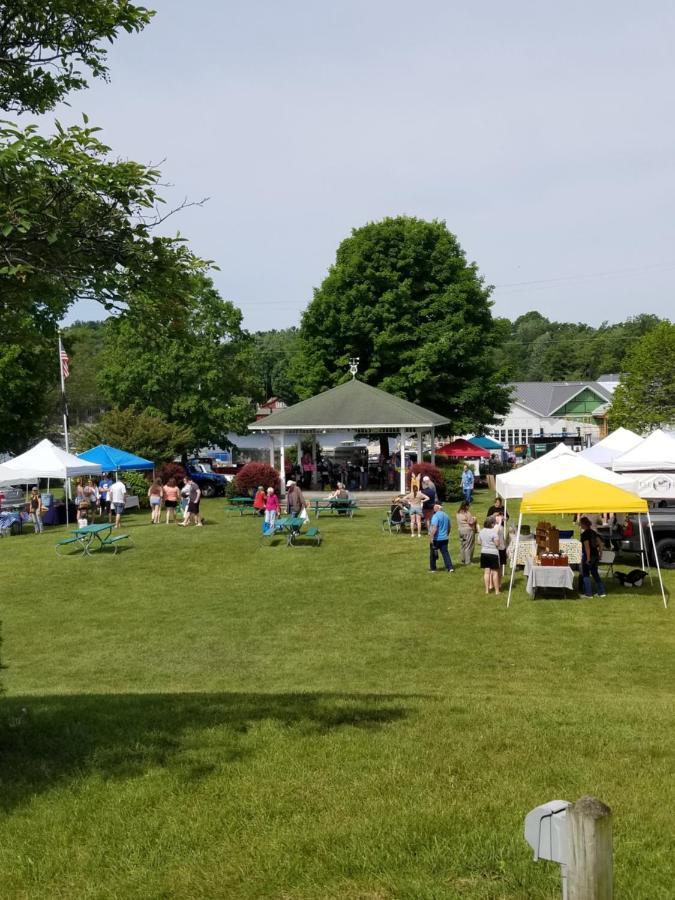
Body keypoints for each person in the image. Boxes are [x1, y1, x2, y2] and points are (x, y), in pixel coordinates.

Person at [579, 516, 607, 598]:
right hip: (595, 555)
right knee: (595, 573)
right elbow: (601, 544)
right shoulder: (593, 532)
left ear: (584, 524)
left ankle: (588, 594)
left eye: (580, 523)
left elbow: (587, 547)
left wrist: (587, 559)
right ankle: (601, 592)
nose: (580, 525)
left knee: (586, 574)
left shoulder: (584, 534)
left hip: (589, 556)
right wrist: (600, 554)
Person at [428, 502, 454, 573]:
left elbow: (434, 527)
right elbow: (449, 526)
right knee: (445, 553)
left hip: (437, 539)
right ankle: (450, 567)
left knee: (433, 554)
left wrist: (431, 537)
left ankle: (433, 568)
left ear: (437, 508)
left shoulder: (435, 516)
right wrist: (447, 534)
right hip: (445, 538)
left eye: (434, 507)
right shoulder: (446, 515)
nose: (433, 508)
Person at [478, 516, 501, 594]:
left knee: (486, 572)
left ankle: (487, 590)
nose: (495, 525)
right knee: (495, 572)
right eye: (494, 523)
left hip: (484, 553)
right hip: (493, 553)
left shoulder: (481, 531)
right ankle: (497, 591)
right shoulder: (493, 532)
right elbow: (497, 544)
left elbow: (479, 542)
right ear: (491, 524)